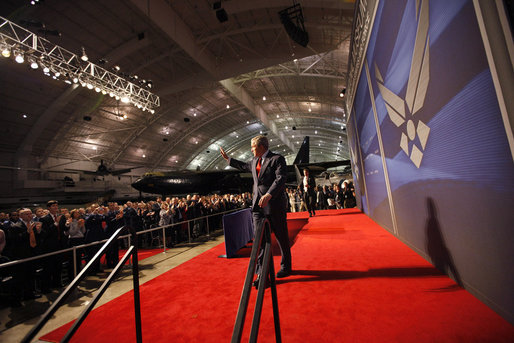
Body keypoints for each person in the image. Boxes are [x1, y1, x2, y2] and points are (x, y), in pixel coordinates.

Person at [220, 135, 292, 288]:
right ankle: (262, 275)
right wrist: (229, 159)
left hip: (274, 205)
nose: (251, 150)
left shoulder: (277, 159)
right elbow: (243, 166)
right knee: (260, 241)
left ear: (261, 147)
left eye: (253, 147)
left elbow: (281, 178)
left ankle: (286, 267)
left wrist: (269, 194)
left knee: (282, 238)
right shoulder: (253, 162)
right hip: (257, 207)